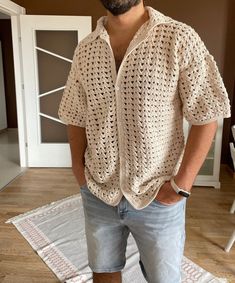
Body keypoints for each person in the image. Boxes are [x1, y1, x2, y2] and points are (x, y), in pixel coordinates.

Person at [58, 1, 231, 282]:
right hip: (99, 192)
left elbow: (207, 112)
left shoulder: (178, 37)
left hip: (158, 194)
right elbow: (75, 113)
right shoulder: (86, 49)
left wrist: (182, 186)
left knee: (163, 279)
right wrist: (79, 172)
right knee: (103, 272)